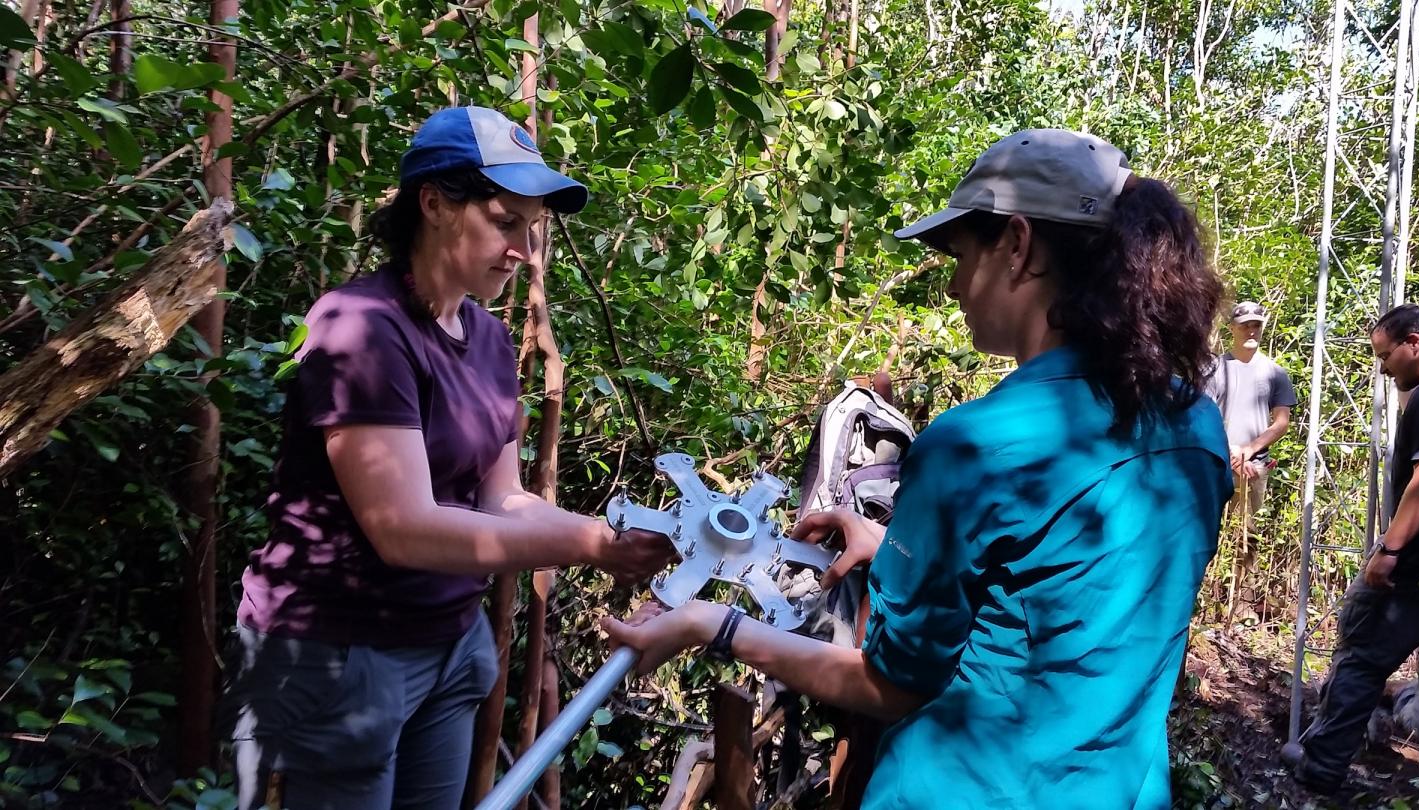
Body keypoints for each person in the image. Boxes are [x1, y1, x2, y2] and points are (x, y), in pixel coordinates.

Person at [603, 129, 1232, 808]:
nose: (957, 285)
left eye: (962, 256)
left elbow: (892, 684)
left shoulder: (974, 445)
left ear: (1017, 246)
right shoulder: (1197, 427)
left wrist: (712, 626)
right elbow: (1069, 588)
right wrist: (899, 552)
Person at [221, 107, 673, 810]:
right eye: (505, 221)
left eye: (532, 229)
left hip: (449, 646)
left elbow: (502, 498)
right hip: (339, 655)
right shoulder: (360, 328)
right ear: (433, 203)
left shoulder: (488, 343)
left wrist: (609, 534)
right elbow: (403, 528)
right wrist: (592, 545)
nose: (523, 248)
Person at [1283, 303, 1419, 794]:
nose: (1383, 367)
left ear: (1415, 342)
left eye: (1385, 354)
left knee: (1361, 657)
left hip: (1417, 565)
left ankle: (1321, 766)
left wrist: (1390, 549)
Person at [1205, 301, 1297, 530]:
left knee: (1247, 539)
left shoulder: (1275, 373)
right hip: (1216, 464)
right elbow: (1203, 419)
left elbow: (1281, 422)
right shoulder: (1213, 369)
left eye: (1256, 325)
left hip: (1253, 468)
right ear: (1232, 328)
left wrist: (1247, 451)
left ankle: (1245, 568)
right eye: (1245, 325)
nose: (1251, 331)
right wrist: (1230, 453)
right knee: (1209, 534)